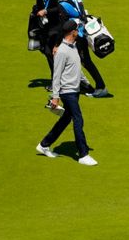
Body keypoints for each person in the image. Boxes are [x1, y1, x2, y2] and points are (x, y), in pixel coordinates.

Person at [36, 19, 98, 166]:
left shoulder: (73, 47)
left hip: (75, 90)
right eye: (77, 29)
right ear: (73, 32)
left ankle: (44, 144)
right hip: (67, 92)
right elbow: (56, 76)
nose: (79, 31)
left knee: (65, 119)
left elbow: (76, 69)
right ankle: (83, 154)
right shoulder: (62, 51)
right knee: (78, 119)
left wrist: (88, 85)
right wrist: (55, 97)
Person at [45, 0, 109, 97]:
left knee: (84, 61)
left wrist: (57, 45)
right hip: (83, 31)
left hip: (77, 35)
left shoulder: (61, 4)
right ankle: (91, 85)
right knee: (83, 61)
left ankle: (100, 87)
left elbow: (63, 26)